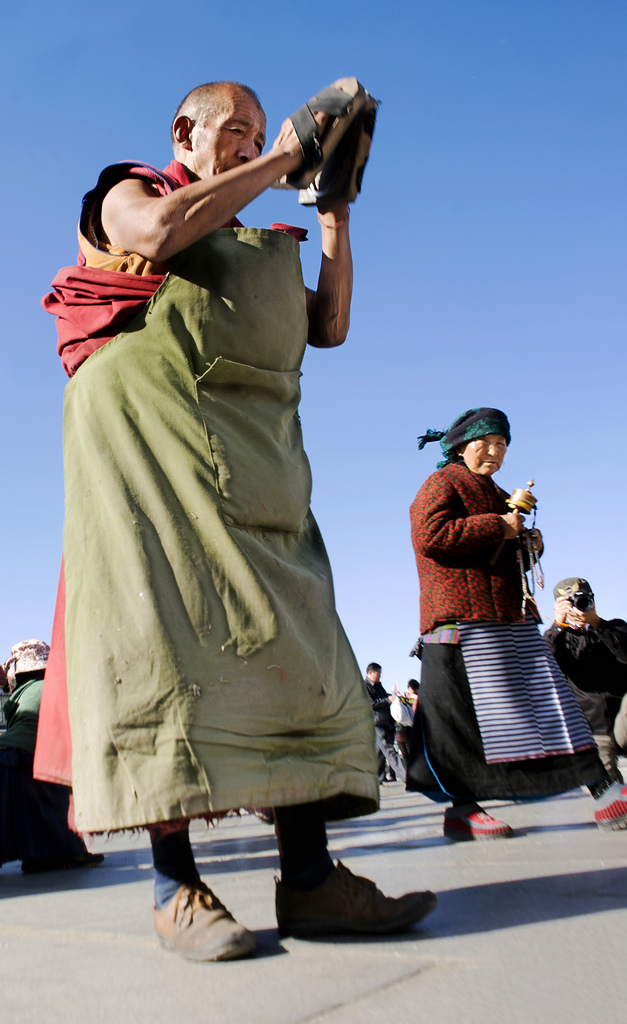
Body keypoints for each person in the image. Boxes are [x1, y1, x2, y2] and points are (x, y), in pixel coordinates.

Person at [38, 79, 435, 961]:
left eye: (263, 132)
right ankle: (176, 888)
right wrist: (288, 152)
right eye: (239, 131)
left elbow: (326, 325)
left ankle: (312, 882)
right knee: (160, 651)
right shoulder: (128, 189)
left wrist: (331, 213)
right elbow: (153, 235)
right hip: (147, 468)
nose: (253, 144)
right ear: (185, 130)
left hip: (255, 472)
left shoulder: (259, 237)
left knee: (295, 645)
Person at [407, 407, 627, 839]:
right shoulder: (443, 482)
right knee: (463, 724)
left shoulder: (492, 490)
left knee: (551, 708)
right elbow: (431, 536)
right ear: (461, 445)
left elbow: (499, 543)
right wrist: (498, 525)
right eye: (487, 443)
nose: (495, 452)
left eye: (502, 445)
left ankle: (607, 795)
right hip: (462, 625)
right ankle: (462, 811)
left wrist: (527, 541)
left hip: (506, 620)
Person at [544, 578, 627, 805]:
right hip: (592, 736)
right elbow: (543, 665)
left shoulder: (615, 626)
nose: (578, 605)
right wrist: (558, 624)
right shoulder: (559, 638)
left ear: (593, 599)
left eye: (582, 599)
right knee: (611, 796)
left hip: (625, 727)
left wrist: (597, 624)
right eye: (569, 602)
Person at [0, 640, 103, 873]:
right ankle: (56, 854)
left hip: (6, 757)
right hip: (27, 759)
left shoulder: (19, 696)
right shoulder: (58, 687)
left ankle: (38, 855)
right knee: (51, 804)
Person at [364, 663, 405, 783]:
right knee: (389, 750)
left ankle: (379, 778)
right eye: (378, 673)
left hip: (385, 722)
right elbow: (370, 703)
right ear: (370, 673)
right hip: (375, 722)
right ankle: (407, 777)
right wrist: (388, 700)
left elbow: (382, 698)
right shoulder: (364, 686)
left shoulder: (378, 686)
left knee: (380, 752)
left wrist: (393, 697)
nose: (380, 676)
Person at [394, 680, 419, 764]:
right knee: (408, 755)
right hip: (407, 731)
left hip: (405, 731)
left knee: (407, 756)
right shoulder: (407, 700)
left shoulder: (413, 699)